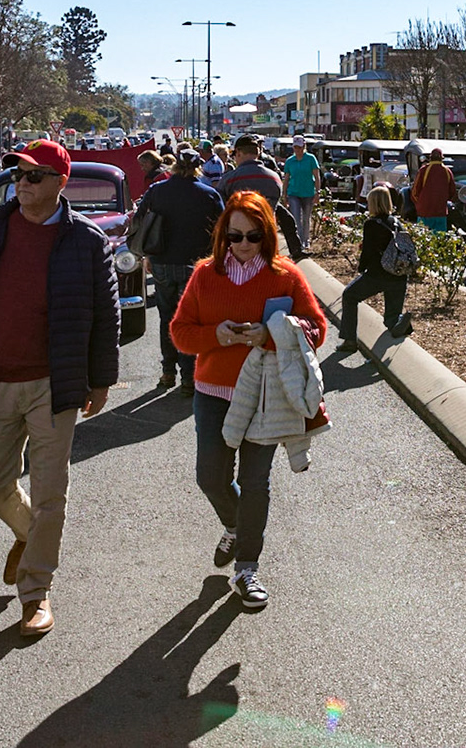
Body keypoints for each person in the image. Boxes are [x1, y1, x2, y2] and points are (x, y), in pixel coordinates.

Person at [0, 138, 121, 637]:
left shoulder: (87, 241)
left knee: (52, 493)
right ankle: (30, 536)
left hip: (55, 384)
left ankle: (36, 592)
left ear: (59, 183)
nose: (21, 184)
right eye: (17, 174)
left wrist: (100, 381)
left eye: (33, 175)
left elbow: (105, 317)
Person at [171, 191, 329, 611]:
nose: (242, 245)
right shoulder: (205, 275)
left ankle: (247, 568)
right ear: (223, 234)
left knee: (256, 482)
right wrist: (215, 335)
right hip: (213, 395)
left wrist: (272, 335)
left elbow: (317, 329)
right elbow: (179, 332)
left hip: (266, 398)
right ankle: (234, 524)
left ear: (267, 236)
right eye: (234, 235)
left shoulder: (286, 277)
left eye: (253, 236)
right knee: (210, 477)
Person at [137, 147, 224, 393]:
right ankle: (189, 376)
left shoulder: (157, 191)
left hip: (162, 261)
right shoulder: (208, 194)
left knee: (167, 317)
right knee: (191, 319)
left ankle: (168, 372)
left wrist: (147, 255)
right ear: (198, 167)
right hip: (195, 265)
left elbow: (141, 219)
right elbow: (223, 228)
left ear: (174, 164)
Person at [340, 184, 411, 349]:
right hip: (400, 274)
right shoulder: (397, 223)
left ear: (373, 203)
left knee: (349, 296)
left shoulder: (371, 224)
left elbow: (368, 255)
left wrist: (360, 269)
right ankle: (398, 323)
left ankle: (350, 340)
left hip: (378, 274)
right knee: (391, 318)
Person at [217, 135, 283, 205]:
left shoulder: (229, 180)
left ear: (238, 153)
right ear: (258, 153)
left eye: (234, 155)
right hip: (267, 215)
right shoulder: (275, 178)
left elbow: (218, 205)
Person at [283, 138, 320, 253]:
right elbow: (287, 178)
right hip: (293, 192)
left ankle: (306, 240)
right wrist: (284, 194)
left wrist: (317, 192)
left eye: (299, 147)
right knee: (296, 217)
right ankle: (299, 242)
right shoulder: (290, 161)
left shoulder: (310, 159)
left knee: (306, 217)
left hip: (308, 192)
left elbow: (317, 176)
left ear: (304, 146)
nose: (297, 150)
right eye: (295, 147)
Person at [410, 147, 456, 232]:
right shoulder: (447, 171)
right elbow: (452, 193)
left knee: (422, 239)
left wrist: (419, 204)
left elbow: (415, 191)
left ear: (430, 158)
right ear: (442, 158)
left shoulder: (423, 170)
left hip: (424, 212)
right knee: (439, 240)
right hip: (440, 213)